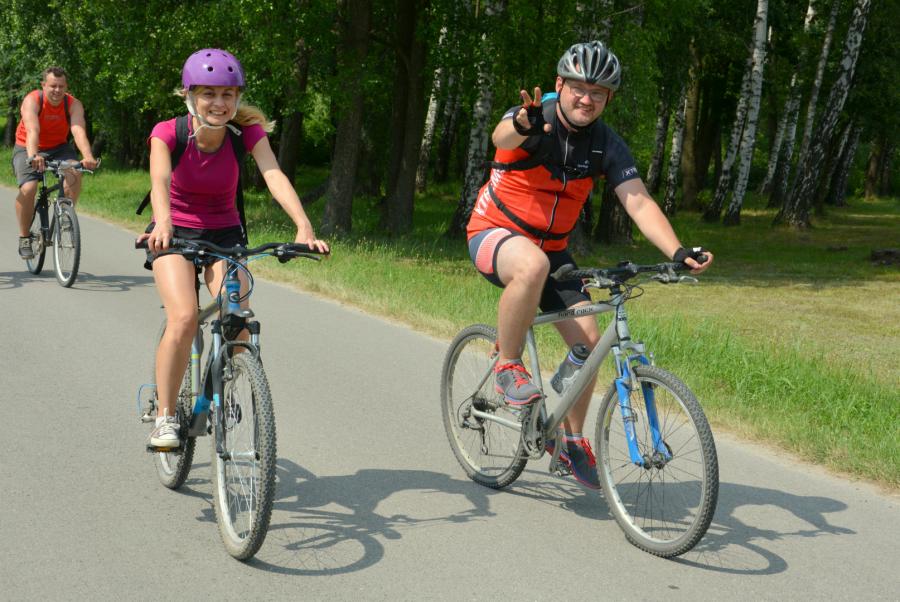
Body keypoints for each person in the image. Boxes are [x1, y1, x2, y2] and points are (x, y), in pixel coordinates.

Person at [466, 41, 713, 489]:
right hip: (493, 232)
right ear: (559, 85)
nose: (587, 99)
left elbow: (638, 202)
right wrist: (521, 124)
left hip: (552, 251)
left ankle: (571, 439)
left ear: (608, 99)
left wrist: (677, 251)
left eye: (598, 93)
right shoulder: (534, 117)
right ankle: (508, 365)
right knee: (532, 265)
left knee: (590, 341)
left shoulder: (605, 144)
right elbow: (502, 137)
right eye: (579, 88)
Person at [138, 48, 329, 448]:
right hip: (175, 232)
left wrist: (303, 225)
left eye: (227, 94)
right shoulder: (168, 132)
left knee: (237, 319)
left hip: (225, 234)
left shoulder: (246, 133)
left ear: (238, 98)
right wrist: (164, 222)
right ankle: (165, 417)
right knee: (184, 318)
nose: (219, 103)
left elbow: (273, 174)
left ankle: (227, 384)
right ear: (190, 95)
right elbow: (159, 180)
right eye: (208, 93)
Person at [12, 66, 99, 259]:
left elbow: (78, 130)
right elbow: (32, 130)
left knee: (74, 172)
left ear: (66, 87)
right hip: (27, 146)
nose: (57, 90)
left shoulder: (73, 104)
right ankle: (24, 237)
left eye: (61, 86)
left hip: (59, 147)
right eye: (53, 86)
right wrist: (34, 156)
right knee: (29, 188)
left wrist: (87, 156)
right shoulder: (32, 100)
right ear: (43, 85)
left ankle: (65, 216)